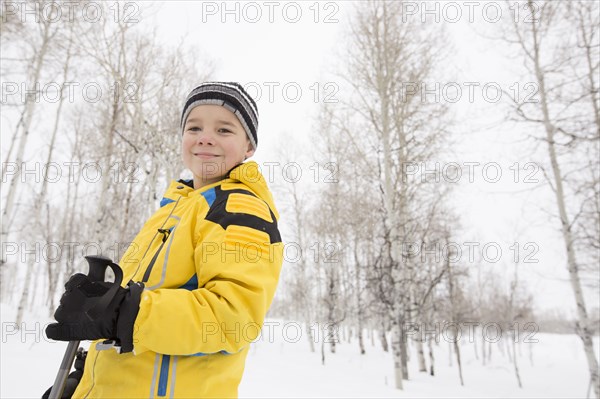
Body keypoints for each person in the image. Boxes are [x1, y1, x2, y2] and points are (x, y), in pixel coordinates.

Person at [45, 82, 284, 398]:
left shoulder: (239, 207)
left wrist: (121, 311)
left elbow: (232, 318)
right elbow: (136, 312)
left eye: (224, 130)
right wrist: (85, 379)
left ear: (248, 147)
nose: (205, 137)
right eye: (194, 127)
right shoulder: (172, 210)